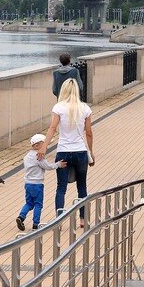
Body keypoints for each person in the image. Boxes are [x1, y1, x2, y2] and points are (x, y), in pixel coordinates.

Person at [37, 78, 94, 227]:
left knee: (61, 187)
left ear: (63, 90)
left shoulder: (59, 107)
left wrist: (44, 147)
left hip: (63, 151)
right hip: (81, 152)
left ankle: (59, 219)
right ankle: (82, 219)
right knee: (82, 186)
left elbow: (52, 128)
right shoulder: (85, 108)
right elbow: (89, 133)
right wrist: (91, 152)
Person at [16, 134, 67, 231]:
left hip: (28, 184)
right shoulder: (39, 157)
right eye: (44, 145)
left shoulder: (26, 156)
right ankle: (35, 224)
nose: (46, 148)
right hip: (37, 185)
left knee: (29, 203)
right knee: (38, 204)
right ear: (36, 146)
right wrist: (58, 164)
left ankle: (21, 217)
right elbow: (48, 166)